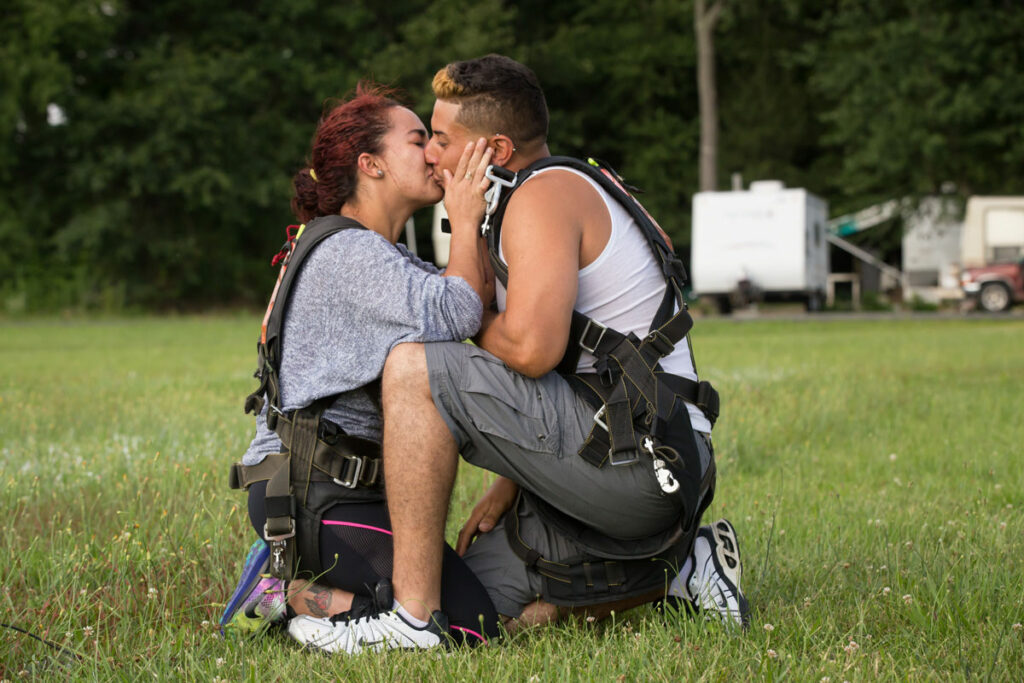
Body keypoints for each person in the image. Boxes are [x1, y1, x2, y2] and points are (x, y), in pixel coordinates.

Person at [287, 55, 749, 654]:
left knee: (413, 365)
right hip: (622, 449)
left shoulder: (543, 196)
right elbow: (550, 365)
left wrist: (461, 301)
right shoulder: (532, 197)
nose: (432, 154)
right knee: (476, 611)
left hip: (647, 461)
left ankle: (410, 620)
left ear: (497, 149)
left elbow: (531, 349)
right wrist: (507, 485)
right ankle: (684, 574)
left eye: (443, 140)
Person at [220, 83, 500, 649]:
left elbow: (467, 296)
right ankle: (288, 594)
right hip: (317, 498)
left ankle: (294, 583)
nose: (433, 153)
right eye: (419, 139)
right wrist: (464, 220)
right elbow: (460, 309)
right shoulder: (349, 254)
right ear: (369, 164)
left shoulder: (376, 251)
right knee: (468, 628)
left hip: (336, 492)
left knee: (476, 606)